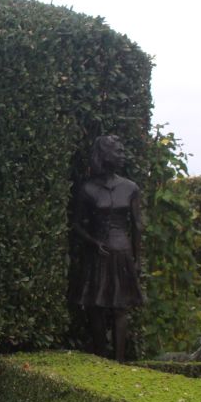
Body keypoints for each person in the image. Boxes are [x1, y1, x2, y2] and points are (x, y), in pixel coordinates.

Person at [71, 134, 143, 362]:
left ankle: (119, 362)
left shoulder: (130, 188)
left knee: (121, 307)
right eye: (118, 152)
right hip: (98, 255)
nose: (123, 155)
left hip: (122, 253)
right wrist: (93, 242)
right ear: (105, 155)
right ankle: (101, 358)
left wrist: (138, 259)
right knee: (96, 306)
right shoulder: (88, 189)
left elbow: (137, 226)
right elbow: (76, 224)